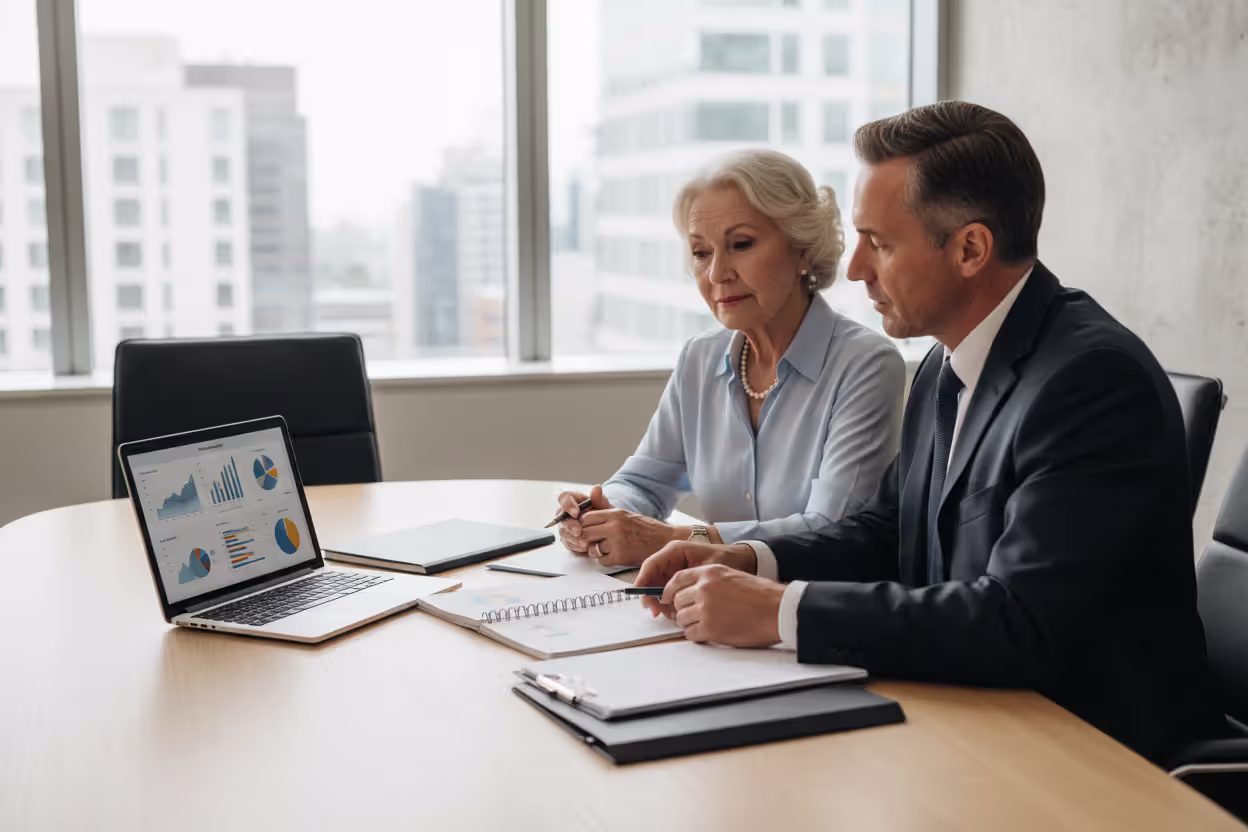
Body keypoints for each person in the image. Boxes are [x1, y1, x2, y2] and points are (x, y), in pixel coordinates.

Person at [635, 102, 1223, 764]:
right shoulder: (949, 359)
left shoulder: (1090, 381)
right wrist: (749, 561)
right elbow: (890, 532)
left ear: (970, 248)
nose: (854, 269)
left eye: (879, 243)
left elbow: (1016, 621)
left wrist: (778, 612)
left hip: (1089, 753)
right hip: (974, 716)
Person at [556, 149, 905, 567]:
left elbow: (830, 529)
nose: (717, 273)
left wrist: (676, 538)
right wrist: (600, 513)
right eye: (701, 253)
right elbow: (643, 483)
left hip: (812, 612)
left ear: (803, 250)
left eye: (740, 245)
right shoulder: (699, 358)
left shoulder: (866, 364)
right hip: (711, 607)